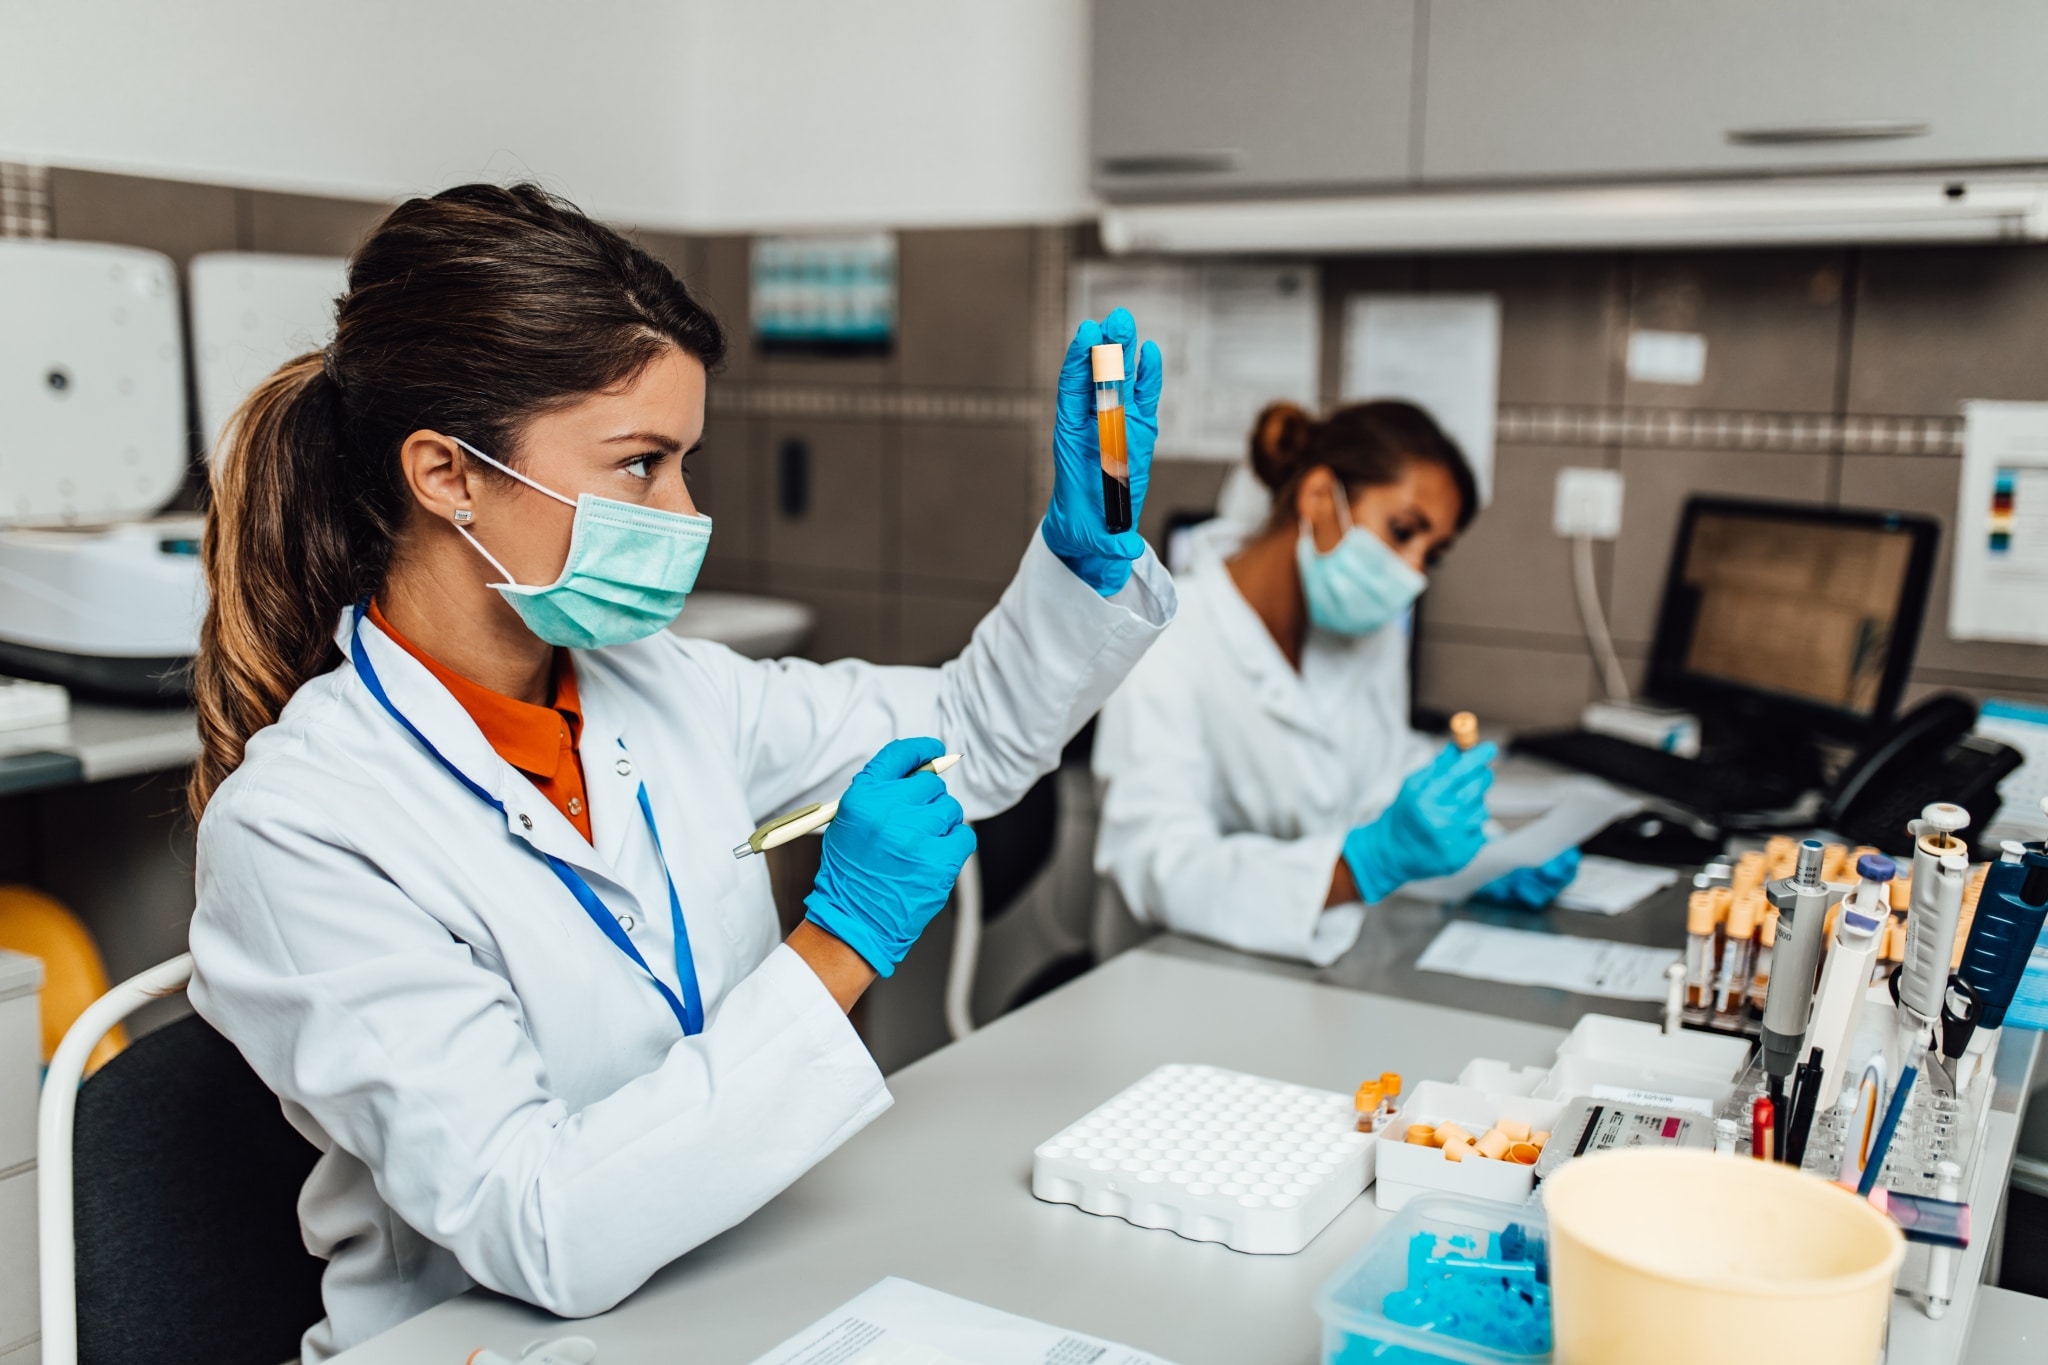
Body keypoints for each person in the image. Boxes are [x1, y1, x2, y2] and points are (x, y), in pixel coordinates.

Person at [185, 184, 1172, 1361]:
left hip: (743, 1276)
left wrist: (1075, 561)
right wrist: (840, 941)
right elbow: (537, 1222)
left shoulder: (667, 687)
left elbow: (971, 732)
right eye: (641, 465)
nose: (686, 513)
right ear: (447, 475)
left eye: (683, 462)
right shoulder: (302, 828)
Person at [1093, 399, 1579, 965]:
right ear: (1320, 497)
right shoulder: (1163, 642)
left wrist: (1484, 856)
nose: (1412, 573)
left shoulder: (1367, 635)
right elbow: (1160, 867)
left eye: (1431, 555)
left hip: (1313, 971)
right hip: (1171, 978)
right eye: (1402, 532)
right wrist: (1363, 863)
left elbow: (1378, 785)